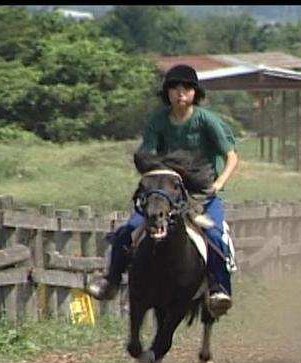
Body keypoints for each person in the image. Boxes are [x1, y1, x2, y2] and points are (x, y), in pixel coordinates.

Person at [85, 64, 240, 318]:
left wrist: (219, 183)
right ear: (167, 93)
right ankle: (111, 280)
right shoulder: (158, 120)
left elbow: (231, 156)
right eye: (174, 89)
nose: (180, 94)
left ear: (195, 93)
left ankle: (218, 289)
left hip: (201, 191)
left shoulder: (206, 120)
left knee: (213, 234)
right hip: (166, 190)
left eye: (186, 89)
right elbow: (148, 154)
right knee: (128, 230)